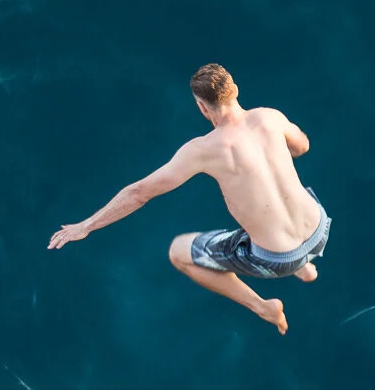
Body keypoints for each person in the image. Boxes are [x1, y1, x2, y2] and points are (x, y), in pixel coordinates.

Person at [48, 64, 330, 334]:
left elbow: (139, 193)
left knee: (179, 252)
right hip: (319, 230)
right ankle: (305, 267)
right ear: (235, 89)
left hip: (278, 260)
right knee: (280, 199)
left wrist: (86, 226)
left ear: (202, 107)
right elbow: (302, 146)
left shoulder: (202, 150)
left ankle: (263, 307)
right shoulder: (270, 117)